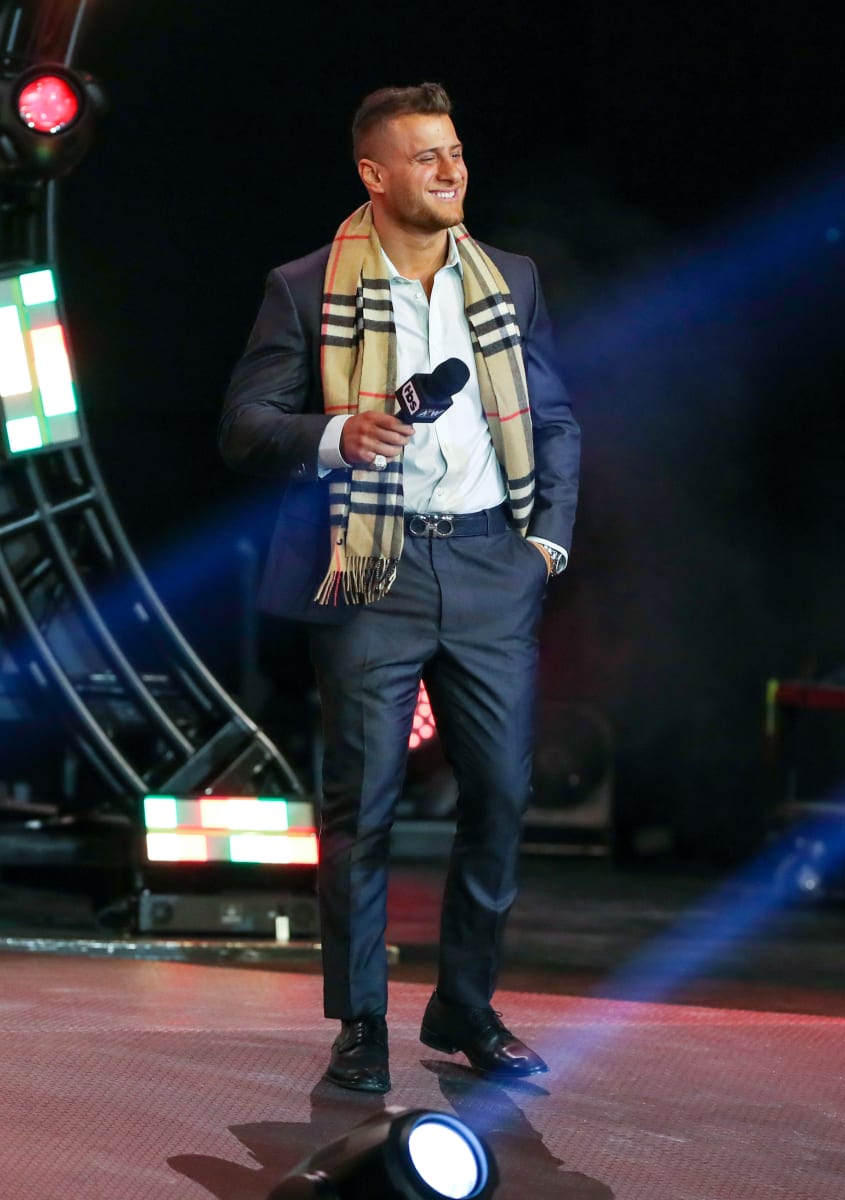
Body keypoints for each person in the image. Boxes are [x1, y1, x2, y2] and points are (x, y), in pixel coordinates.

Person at [218, 82, 580, 1094]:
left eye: (455, 150)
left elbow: (552, 422)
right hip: (367, 567)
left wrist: (543, 544)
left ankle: (465, 1007)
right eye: (425, 156)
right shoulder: (303, 286)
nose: (451, 169)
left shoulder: (510, 278)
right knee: (362, 809)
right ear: (374, 174)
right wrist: (336, 434)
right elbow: (243, 425)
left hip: (486, 565)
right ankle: (361, 1023)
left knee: (502, 797)